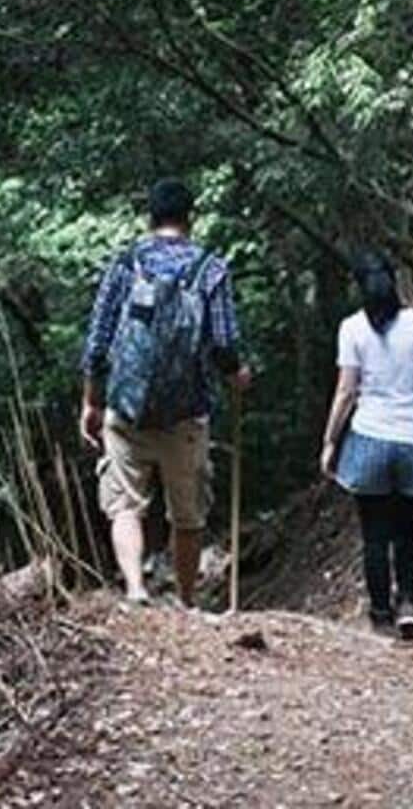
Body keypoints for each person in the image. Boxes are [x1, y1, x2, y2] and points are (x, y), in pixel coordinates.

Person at [80, 179, 250, 608]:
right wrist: (237, 374)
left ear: (150, 217)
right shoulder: (210, 268)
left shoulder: (126, 264)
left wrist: (92, 401)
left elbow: (98, 341)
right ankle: (186, 600)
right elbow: (223, 342)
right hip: (187, 410)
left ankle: (136, 588)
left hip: (127, 405)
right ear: (189, 218)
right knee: (187, 514)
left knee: (125, 503)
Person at [320, 251, 413, 639]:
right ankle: (408, 605)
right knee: (406, 528)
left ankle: (381, 615)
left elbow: (346, 392)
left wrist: (330, 441)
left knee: (374, 534)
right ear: (394, 281)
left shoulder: (351, 328)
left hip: (370, 437)